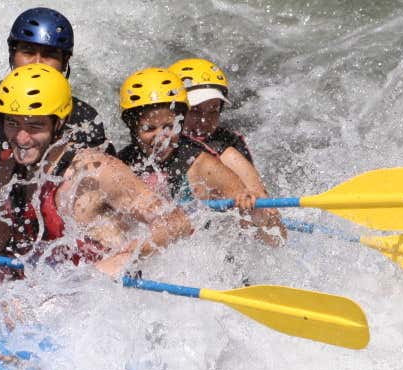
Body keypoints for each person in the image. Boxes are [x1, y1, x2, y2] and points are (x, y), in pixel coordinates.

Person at [0, 63, 192, 281]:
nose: (22, 138)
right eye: (13, 124)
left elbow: (176, 222)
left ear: (59, 125)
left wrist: (123, 258)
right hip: (48, 291)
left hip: (99, 300)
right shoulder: (8, 172)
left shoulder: (96, 171)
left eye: (35, 126)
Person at [115, 67, 285, 244]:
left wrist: (254, 212)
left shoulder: (203, 164)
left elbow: (277, 239)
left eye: (169, 127)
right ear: (133, 128)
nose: (161, 138)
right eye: (149, 129)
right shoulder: (121, 164)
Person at [0, 7, 110, 171]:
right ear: (12, 54)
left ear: (64, 62)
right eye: (28, 52)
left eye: (49, 55)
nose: (37, 62)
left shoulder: (84, 119)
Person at [167, 58, 268, 198]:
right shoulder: (151, 147)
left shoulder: (227, 154)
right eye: (195, 110)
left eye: (213, 111)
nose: (204, 121)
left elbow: (266, 210)